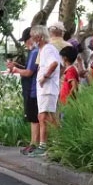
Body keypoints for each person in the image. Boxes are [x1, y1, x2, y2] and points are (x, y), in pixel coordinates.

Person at [8, 27, 39, 155]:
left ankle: (34, 144)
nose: (26, 43)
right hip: (33, 88)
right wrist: (17, 67)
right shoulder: (36, 51)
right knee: (35, 117)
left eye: (26, 40)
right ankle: (33, 143)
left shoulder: (34, 52)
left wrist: (15, 70)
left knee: (34, 118)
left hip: (32, 89)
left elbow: (29, 72)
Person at [32, 25, 61, 157]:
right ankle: (57, 142)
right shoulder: (44, 49)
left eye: (34, 37)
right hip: (45, 89)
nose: (33, 39)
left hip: (48, 88)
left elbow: (54, 63)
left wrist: (45, 77)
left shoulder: (48, 49)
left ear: (39, 37)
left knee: (44, 117)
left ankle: (45, 145)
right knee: (46, 117)